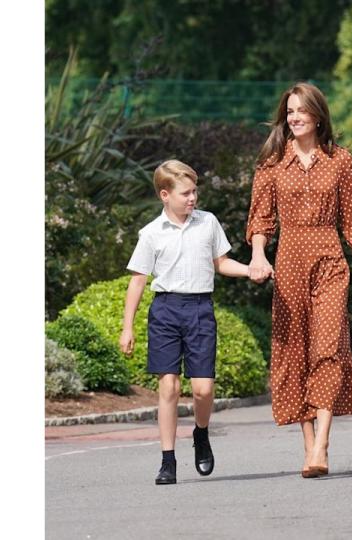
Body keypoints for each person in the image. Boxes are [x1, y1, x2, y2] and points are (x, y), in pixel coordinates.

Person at [246, 82, 352, 478]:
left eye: (302, 110)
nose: (295, 117)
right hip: (288, 262)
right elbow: (261, 218)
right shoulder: (272, 162)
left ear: (318, 115)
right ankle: (309, 449)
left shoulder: (340, 160)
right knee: (294, 354)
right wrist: (257, 255)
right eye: (290, 111)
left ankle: (322, 442)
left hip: (330, 261)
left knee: (327, 346)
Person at [119, 159, 252, 485]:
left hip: (199, 309)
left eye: (195, 192)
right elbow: (138, 281)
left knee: (203, 390)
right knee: (169, 386)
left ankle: (201, 434)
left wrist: (250, 270)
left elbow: (221, 263)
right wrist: (127, 326)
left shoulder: (207, 223)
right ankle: (167, 461)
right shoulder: (151, 233)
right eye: (185, 193)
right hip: (165, 310)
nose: (192, 198)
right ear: (165, 195)